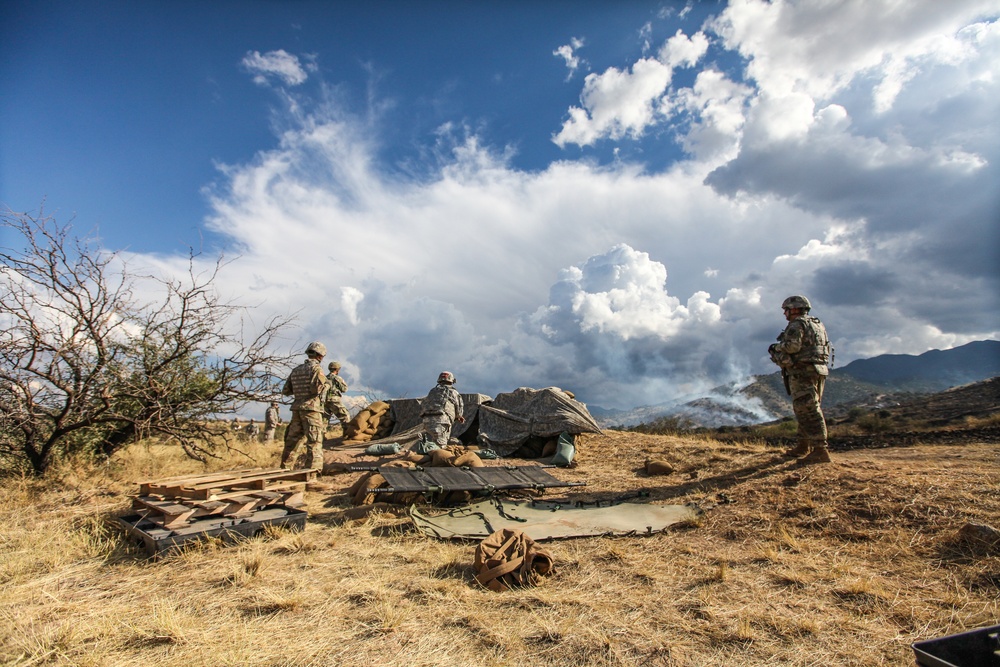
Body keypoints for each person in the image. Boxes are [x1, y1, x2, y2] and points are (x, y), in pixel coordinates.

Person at [768, 295, 833, 464]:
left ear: (795, 309)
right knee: (805, 408)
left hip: (802, 372)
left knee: (809, 409)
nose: (785, 314)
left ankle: (820, 449)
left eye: (787, 310)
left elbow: (792, 346)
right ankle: (803, 445)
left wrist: (776, 348)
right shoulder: (817, 324)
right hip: (817, 370)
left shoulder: (797, 324)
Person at [280, 341, 330, 470]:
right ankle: (312, 475)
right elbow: (316, 390)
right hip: (312, 410)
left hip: (297, 409)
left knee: (292, 443)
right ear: (320, 356)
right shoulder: (317, 369)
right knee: (314, 442)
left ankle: (284, 471)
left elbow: (286, 391)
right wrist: (326, 385)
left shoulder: (296, 370)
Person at [420, 371, 466, 446]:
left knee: (432, 444)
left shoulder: (433, 391)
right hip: (442, 421)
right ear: (452, 380)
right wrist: (459, 416)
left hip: (426, 421)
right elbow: (459, 407)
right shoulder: (453, 392)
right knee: (441, 446)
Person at [324, 361, 351, 431]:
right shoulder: (337, 378)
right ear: (337, 369)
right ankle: (347, 434)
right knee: (345, 416)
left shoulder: (324, 378)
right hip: (334, 400)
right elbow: (344, 389)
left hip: (324, 401)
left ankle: (320, 438)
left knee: (323, 421)